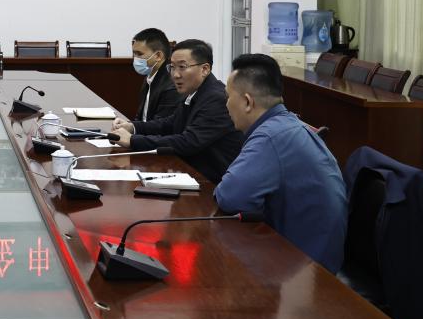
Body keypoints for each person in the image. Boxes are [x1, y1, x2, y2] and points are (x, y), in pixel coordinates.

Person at [215, 54, 347, 272]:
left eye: (228, 97)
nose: (226, 104)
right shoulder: (285, 124)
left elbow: (230, 196)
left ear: (247, 102)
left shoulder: (271, 136)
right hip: (308, 257)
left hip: (307, 270)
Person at [110, 39, 243, 184]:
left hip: (211, 183)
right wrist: (133, 127)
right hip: (191, 173)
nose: (175, 75)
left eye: (182, 67)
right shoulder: (196, 91)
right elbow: (171, 123)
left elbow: (188, 142)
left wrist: (132, 140)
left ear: (205, 69)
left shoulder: (216, 98)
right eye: (172, 67)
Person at [131, 27, 180, 122]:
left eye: (139, 54)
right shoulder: (150, 77)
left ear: (158, 56)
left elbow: (161, 126)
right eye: (134, 54)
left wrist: (132, 128)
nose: (135, 59)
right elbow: (141, 117)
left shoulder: (171, 86)